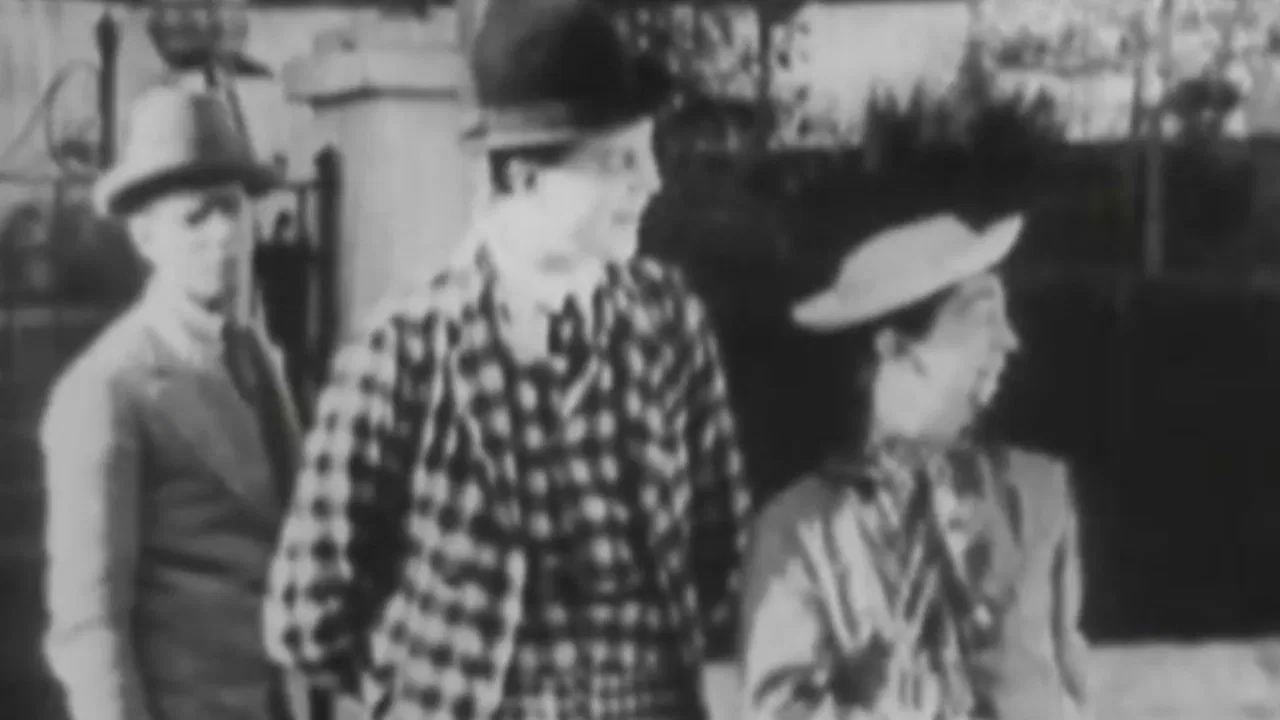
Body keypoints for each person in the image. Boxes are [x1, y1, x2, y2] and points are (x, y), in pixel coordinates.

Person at [262, 1, 752, 719]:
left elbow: (721, 550)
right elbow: (308, 611)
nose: (651, 182)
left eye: (647, 155)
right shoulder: (403, 353)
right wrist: (423, 691)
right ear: (523, 176)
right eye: (618, 161)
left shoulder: (669, 324)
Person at [740, 214, 1091, 720]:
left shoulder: (1040, 495)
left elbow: (1071, 687)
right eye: (980, 317)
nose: (1009, 340)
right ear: (894, 346)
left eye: (1005, 316)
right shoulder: (800, 531)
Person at [40, 84, 301, 720]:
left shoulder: (254, 357)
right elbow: (89, 629)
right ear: (146, 237)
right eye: (195, 217)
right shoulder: (108, 390)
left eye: (233, 209)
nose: (222, 236)